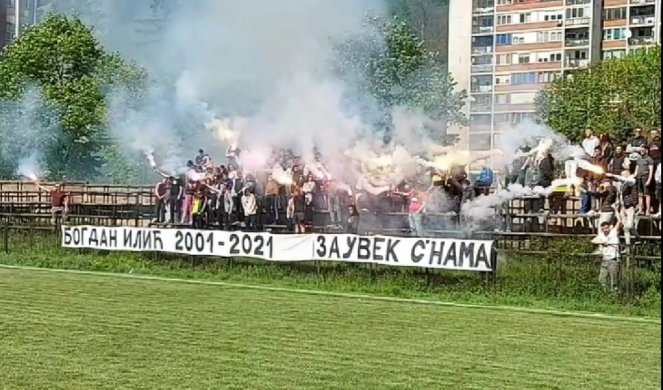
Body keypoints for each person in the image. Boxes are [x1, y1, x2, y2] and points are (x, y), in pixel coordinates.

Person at [591, 219, 622, 292]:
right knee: (601, 279)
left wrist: (616, 209)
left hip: (613, 260)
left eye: (606, 228)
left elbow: (619, 222)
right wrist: (602, 242)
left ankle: (614, 297)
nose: (605, 230)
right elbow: (593, 241)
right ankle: (605, 293)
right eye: (603, 229)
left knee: (614, 282)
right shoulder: (601, 236)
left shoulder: (614, 233)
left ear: (609, 227)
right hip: (605, 260)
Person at [635, 147, 654, 215]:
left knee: (647, 194)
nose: (641, 151)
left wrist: (649, 180)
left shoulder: (649, 159)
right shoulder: (639, 159)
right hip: (639, 178)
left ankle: (648, 210)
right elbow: (636, 169)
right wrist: (634, 175)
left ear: (646, 150)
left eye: (643, 150)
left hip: (645, 177)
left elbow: (651, 171)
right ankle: (640, 209)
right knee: (640, 194)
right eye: (640, 150)